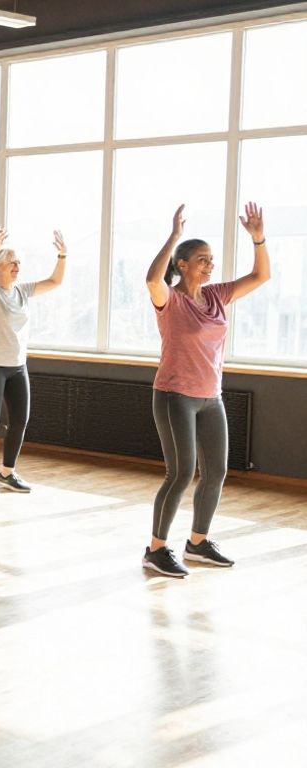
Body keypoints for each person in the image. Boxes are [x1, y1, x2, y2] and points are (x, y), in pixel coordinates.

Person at [140, 203, 271, 578]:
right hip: (173, 395)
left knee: (216, 472)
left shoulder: (215, 296)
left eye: (211, 260)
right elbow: (152, 280)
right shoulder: (171, 300)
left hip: (211, 397)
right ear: (182, 264)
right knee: (180, 473)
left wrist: (258, 238)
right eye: (201, 259)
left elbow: (261, 275)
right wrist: (174, 236)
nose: (210, 265)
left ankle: (197, 542)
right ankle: (155, 549)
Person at [0, 228, 68, 497]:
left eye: (19, 263)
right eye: (12, 262)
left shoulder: (23, 292)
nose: (17, 267)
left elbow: (55, 281)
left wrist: (62, 254)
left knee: (20, 420)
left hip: (17, 367)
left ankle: (7, 473)